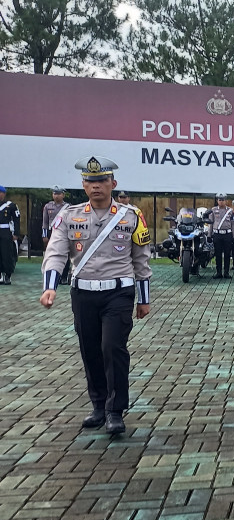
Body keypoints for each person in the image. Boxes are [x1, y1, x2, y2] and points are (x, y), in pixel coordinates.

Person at [38, 156, 152, 434]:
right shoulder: (68, 215)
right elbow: (55, 253)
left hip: (118, 293)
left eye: (102, 180)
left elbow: (141, 258)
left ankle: (116, 410)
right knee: (90, 351)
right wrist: (50, 286)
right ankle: (99, 405)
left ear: (113, 183)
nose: (96, 186)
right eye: (90, 181)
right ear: (83, 185)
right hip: (84, 293)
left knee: (112, 348)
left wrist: (144, 298)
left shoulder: (131, 216)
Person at [207, 193, 234, 279]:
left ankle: (226, 272)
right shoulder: (213, 210)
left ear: (226, 200)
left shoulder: (230, 211)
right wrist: (209, 235)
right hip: (217, 234)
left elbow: (233, 224)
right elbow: (210, 223)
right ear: (217, 201)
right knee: (218, 254)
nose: (221, 201)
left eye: (223, 200)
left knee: (227, 254)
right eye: (219, 200)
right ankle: (218, 272)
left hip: (227, 234)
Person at [0, 185, 21, 285]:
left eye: (0, 192)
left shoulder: (11, 206)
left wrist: (16, 233)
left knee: (7, 254)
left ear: (4, 194)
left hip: (6, 232)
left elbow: (17, 219)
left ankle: (8, 275)